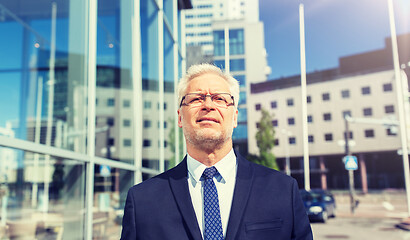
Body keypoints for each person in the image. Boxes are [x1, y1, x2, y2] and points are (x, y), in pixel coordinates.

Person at [121, 63, 313, 240]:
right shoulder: (142, 201)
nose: (208, 105)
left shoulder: (283, 190)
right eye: (196, 98)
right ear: (180, 118)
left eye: (219, 98)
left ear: (235, 117)